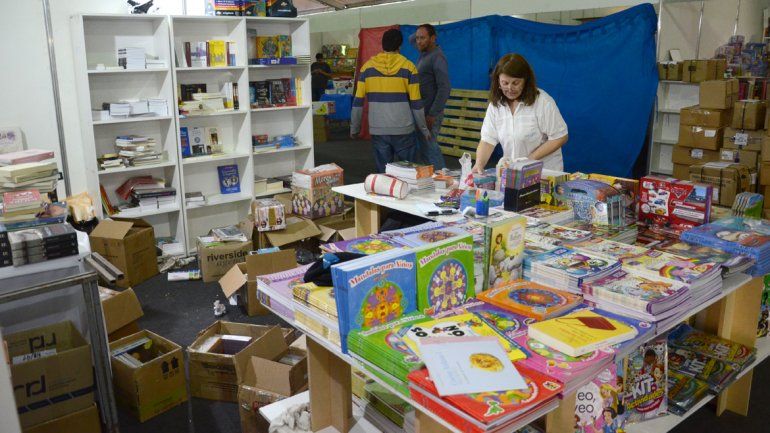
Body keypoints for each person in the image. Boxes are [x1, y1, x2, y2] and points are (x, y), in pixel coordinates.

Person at [351, 29, 430, 173]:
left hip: (378, 129)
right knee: (409, 174)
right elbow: (416, 104)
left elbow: (358, 102)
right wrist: (424, 129)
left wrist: (354, 128)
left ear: (382, 45)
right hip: (404, 129)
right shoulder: (409, 67)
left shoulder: (367, 68)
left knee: (384, 175)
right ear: (400, 46)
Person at [472, 53, 568, 172]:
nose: (510, 88)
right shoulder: (496, 105)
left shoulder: (542, 101)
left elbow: (560, 137)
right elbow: (487, 140)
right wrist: (479, 164)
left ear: (526, 81)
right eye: (505, 83)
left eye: (515, 83)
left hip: (544, 173)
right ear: (498, 82)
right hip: (515, 172)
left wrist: (529, 160)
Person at [411, 23, 450, 170]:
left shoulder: (437, 57)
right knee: (425, 151)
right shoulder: (424, 53)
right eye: (417, 38)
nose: (418, 41)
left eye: (423, 38)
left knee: (430, 149)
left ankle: (445, 181)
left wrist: (433, 114)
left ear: (433, 38)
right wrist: (421, 30)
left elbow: (445, 87)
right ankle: (432, 183)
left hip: (430, 113)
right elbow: (411, 39)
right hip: (423, 112)